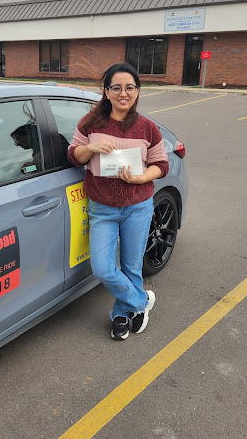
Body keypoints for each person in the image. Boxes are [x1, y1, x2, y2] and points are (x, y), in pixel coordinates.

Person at [67, 62, 169, 340]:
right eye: (116, 88)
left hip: (138, 206)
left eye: (129, 88)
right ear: (107, 91)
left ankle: (122, 314)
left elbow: (161, 164)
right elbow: (73, 155)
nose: (123, 93)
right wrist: (90, 147)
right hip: (103, 209)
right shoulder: (91, 124)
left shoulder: (148, 127)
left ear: (137, 91)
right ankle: (141, 302)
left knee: (132, 266)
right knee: (102, 268)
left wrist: (140, 178)